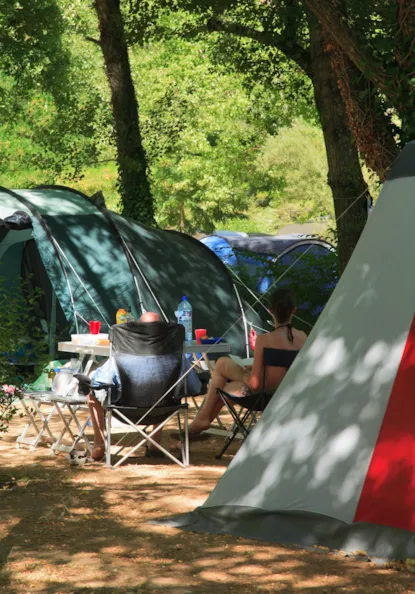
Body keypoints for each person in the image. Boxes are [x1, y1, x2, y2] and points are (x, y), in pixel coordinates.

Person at [186, 288, 307, 438]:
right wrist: (261, 368)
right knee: (223, 366)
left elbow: (255, 384)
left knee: (222, 382)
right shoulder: (303, 338)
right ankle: (198, 424)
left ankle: (200, 421)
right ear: (293, 310)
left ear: (270, 311)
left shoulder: (264, 340)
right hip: (288, 392)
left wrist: (246, 375)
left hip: (264, 395)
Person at [84, 311, 201, 461]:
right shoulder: (176, 356)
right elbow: (194, 387)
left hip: (123, 409)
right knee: (165, 390)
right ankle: (154, 445)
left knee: (91, 392)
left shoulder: (122, 355)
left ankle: (99, 445)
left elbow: (98, 383)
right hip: (164, 410)